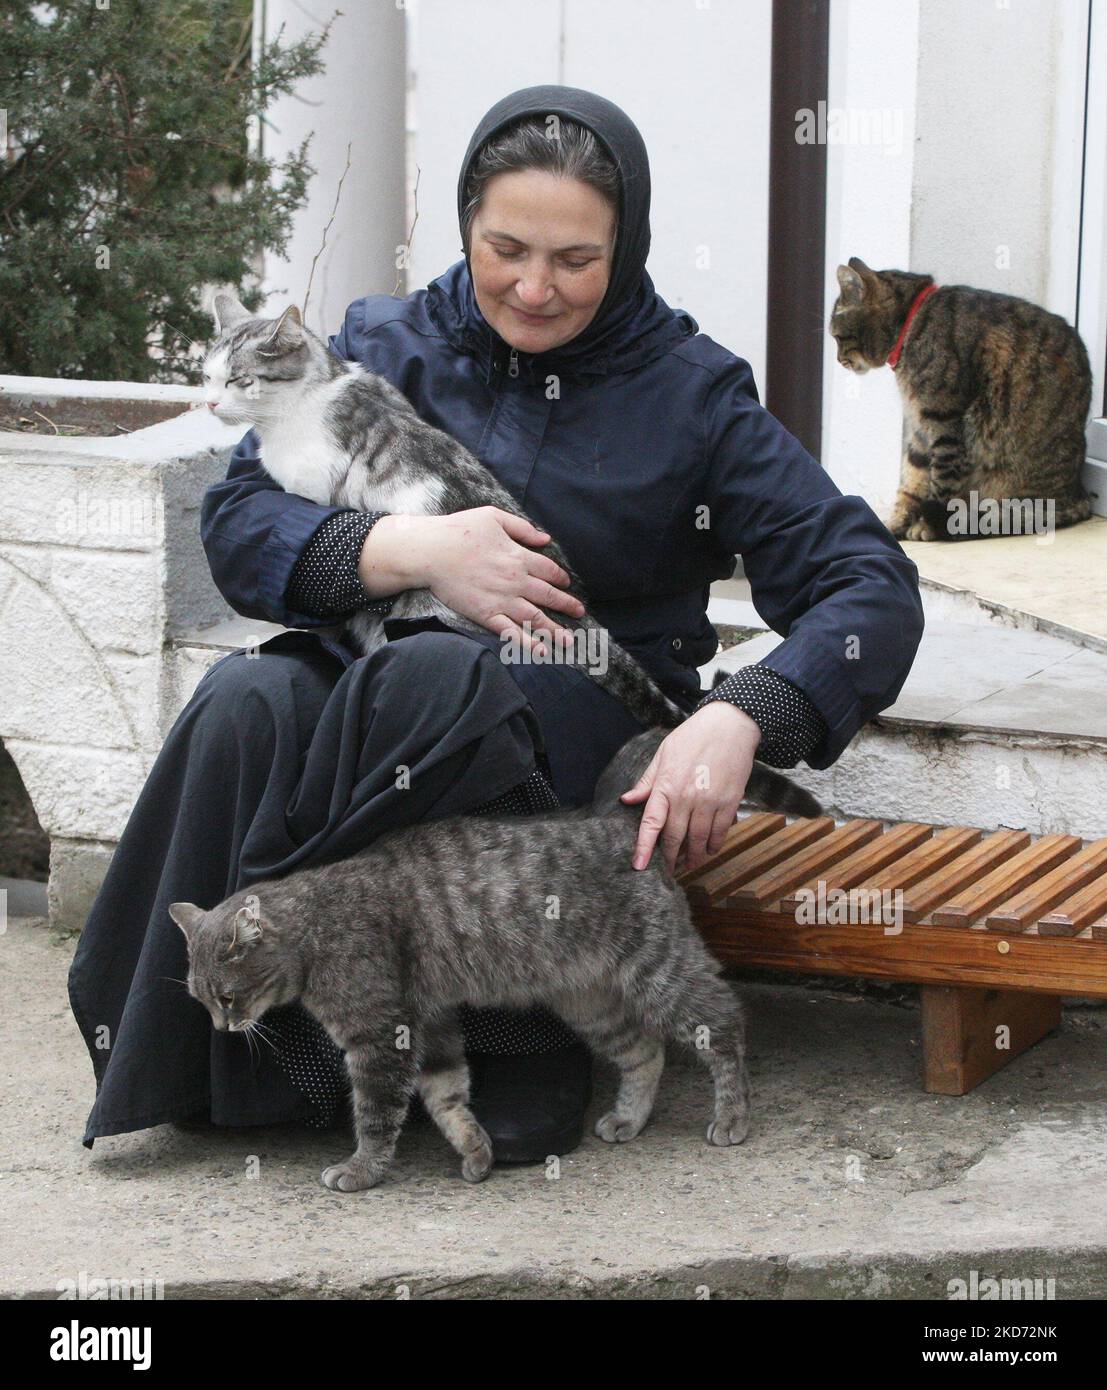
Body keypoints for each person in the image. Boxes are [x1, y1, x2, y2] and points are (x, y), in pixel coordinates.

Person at [68, 85, 924, 1162]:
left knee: (440, 678)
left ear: (629, 245)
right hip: (372, 706)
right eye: (504, 246)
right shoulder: (387, 343)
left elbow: (869, 586)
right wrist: (415, 552)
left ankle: (490, 1045)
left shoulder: (692, 397)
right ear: (466, 226)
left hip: (555, 736)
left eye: (575, 259)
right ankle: (236, 1054)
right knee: (250, 694)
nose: (533, 285)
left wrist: (743, 715)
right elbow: (238, 519)